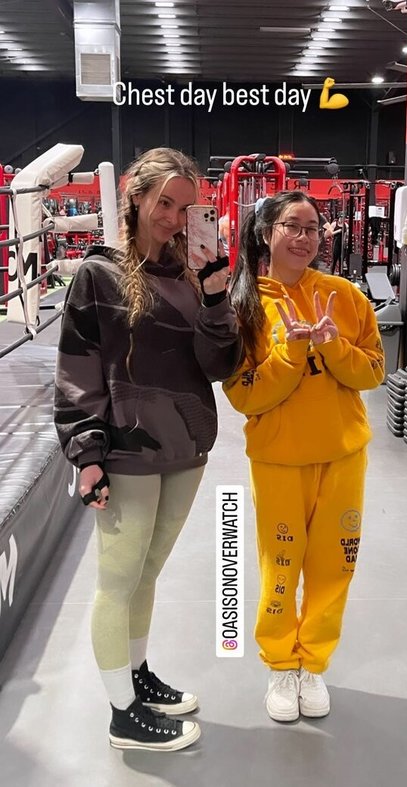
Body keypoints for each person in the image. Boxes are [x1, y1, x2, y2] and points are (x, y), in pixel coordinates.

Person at [54, 147, 242, 752]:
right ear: (135, 195)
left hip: (186, 446)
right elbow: (78, 367)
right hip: (128, 448)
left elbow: (217, 366)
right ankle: (122, 716)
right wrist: (87, 453)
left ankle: (136, 676)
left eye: (186, 208)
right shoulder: (99, 274)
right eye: (165, 203)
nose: (174, 218)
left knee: (147, 572)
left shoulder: (191, 274)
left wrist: (215, 299)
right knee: (118, 579)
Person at [223, 191, 384, 723]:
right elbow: (246, 396)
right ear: (266, 233)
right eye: (292, 225)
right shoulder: (244, 306)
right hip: (278, 460)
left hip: (343, 455)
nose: (304, 237)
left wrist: (333, 347)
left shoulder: (345, 296)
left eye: (313, 227)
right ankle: (280, 663)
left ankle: (312, 663)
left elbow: (373, 373)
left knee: (335, 566)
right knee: (280, 566)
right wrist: (292, 353)